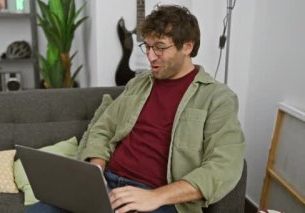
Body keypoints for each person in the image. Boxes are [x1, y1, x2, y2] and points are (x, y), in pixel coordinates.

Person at [26, 4, 245, 213]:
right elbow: (104, 128)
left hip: (160, 198)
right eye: (147, 46)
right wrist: (96, 171)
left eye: (159, 48)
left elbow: (223, 166)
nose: (150, 57)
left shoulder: (218, 98)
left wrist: (156, 197)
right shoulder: (138, 84)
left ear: (187, 46)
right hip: (107, 185)